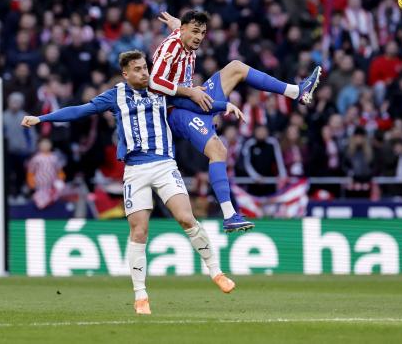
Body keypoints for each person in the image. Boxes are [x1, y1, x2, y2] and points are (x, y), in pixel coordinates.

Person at [21, 50, 244, 315]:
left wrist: (223, 106)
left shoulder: (161, 88)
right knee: (139, 232)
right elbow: (81, 111)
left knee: (186, 218)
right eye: (137, 69)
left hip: (164, 164)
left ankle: (216, 272)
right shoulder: (115, 95)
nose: (144, 72)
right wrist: (41, 118)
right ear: (126, 74)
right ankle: (141, 296)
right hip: (135, 170)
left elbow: (190, 101)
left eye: (145, 67)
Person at [150, 10, 321, 232]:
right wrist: (190, 92)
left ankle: (297, 91)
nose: (199, 37)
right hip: (175, 109)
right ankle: (229, 215)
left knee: (235, 72)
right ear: (183, 30)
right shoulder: (172, 46)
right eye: (195, 32)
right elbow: (154, 83)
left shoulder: (183, 37)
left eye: (202, 33)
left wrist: (175, 22)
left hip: (190, 101)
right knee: (219, 145)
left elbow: (178, 27)